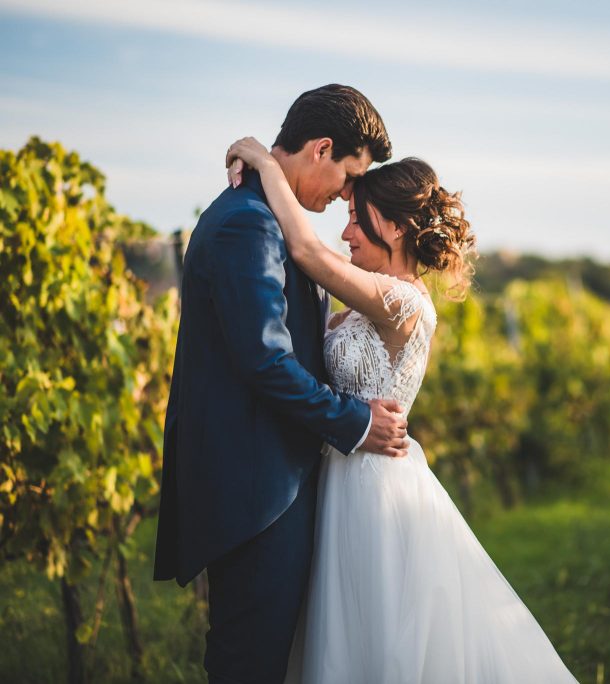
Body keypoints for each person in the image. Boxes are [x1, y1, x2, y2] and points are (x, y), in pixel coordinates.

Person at [225, 136, 579, 683]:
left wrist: (266, 162)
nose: (343, 233)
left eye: (354, 219)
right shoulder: (366, 298)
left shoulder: (406, 302)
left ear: (392, 227)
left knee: (381, 634)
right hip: (337, 473)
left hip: (375, 489)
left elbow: (305, 251)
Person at [153, 85, 410, 684]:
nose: (348, 194)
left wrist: (265, 161)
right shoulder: (249, 224)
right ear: (321, 149)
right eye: (349, 176)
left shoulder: (261, 212)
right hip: (256, 493)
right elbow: (267, 363)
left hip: (268, 483)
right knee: (251, 662)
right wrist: (358, 421)